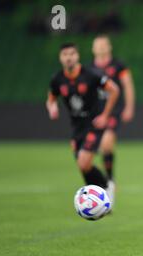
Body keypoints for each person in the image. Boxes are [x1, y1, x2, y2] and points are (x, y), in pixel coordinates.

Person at [46, 43, 119, 200]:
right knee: (83, 166)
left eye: (72, 54)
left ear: (77, 56)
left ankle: (106, 188)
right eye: (65, 54)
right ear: (60, 58)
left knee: (84, 162)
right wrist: (52, 108)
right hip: (76, 126)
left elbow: (114, 90)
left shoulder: (91, 74)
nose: (69, 58)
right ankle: (99, 195)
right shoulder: (57, 79)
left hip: (94, 123)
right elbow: (51, 99)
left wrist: (105, 115)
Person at [90, 35, 136, 199]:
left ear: (109, 47)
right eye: (98, 45)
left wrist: (129, 107)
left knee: (106, 143)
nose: (101, 47)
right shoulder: (89, 68)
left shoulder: (118, 66)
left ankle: (109, 180)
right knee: (89, 152)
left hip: (113, 111)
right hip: (94, 113)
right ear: (93, 49)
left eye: (104, 44)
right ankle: (100, 182)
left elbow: (127, 85)